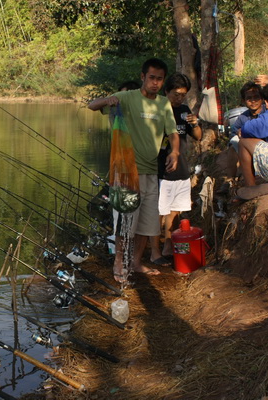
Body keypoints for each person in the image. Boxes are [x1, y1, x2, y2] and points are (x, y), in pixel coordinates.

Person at [88, 58, 179, 281]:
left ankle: (136, 263)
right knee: (125, 222)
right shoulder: (126, 98)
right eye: (152, 78)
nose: (155, 83)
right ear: (142, 77)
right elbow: (92, 105)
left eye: (159, 79)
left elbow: (173, 132)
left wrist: (175, 152)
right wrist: (107, 100)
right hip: (127, 172)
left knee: (147, 225)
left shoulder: (163, 103)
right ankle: (119, 262)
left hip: (151, 171)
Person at [150, 73, 202, 261]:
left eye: (183, 95)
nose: (179, 98)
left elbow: (197, 136)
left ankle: (168, 246)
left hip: (181, 168)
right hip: (161, 168)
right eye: (176, 94)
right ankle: (154, 250)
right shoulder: (157, 110)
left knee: (175, 210)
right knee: (159, 211)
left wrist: (195, 123)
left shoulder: (185, 110)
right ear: (166, 92)